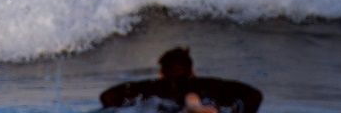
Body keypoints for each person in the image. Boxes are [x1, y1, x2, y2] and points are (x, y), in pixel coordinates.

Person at [99, 47, 263, 113]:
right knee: (191, 99)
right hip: (199, 102)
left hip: (171, 104)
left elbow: (108, 97)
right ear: (192, 71)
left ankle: (193, 106)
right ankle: (195, 106)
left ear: (161, 74)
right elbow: (254, 96)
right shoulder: (209, 84)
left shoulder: (154, 87)